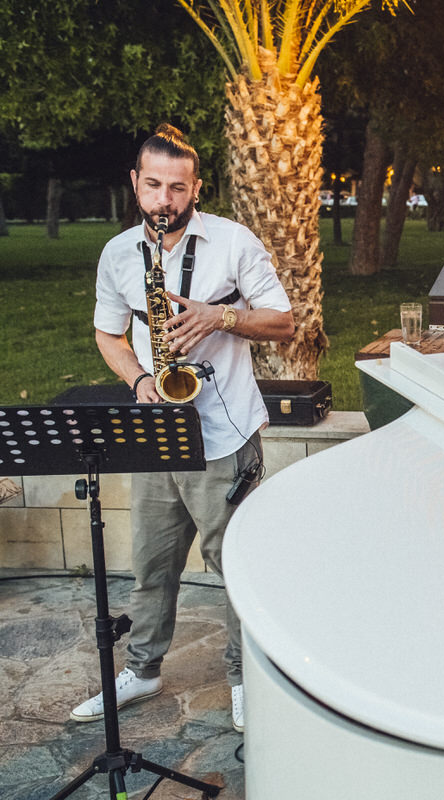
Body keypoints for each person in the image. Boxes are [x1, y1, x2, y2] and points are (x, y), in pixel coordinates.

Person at [71, 124, 295, 732]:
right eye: (153, 186)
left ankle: (246, 678)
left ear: (196, 188)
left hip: (223, 431)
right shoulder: (119, 254)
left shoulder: (232, 242)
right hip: (156, 427)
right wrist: (141, 381)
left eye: (177, 187)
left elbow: (284, 323)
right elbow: (107, 334)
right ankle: (142, 670)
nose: (164, 200)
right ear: (135, 184)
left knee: (235, 562)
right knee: (152, 562)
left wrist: (220, 316)